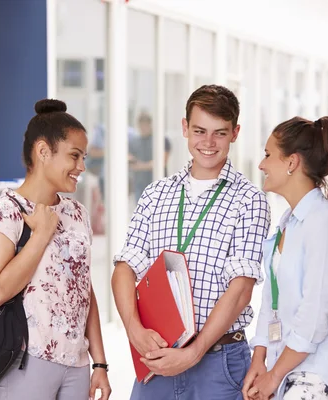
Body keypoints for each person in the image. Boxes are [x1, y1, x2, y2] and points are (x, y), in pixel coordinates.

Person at [112, 84, 271, 400]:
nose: (208, 143)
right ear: (184, 128)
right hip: (156, 358)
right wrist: (134, 330)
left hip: (218, 365)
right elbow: (124, 269)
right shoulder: (156, 194)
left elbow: (240, 290)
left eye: (220, 133)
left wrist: (194, 353)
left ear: (235, 132)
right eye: (199, 131)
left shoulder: (250, 200)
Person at [0, 99, 111, 400]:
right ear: (42, 151)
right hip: (26, 362)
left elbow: (84, 291)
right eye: (74, 156)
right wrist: (41, 234)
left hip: (76, 364)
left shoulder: (77, 213)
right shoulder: (5, 210)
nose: (82, 167)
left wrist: (99, 362)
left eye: (84, 157)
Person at [244, 117, 328, 400]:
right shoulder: (289, 222)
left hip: (316, 378)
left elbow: (315, 315)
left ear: (292, 162)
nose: (261, 165)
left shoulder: (323, 223)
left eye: (268, 155)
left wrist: (274, 375)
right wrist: (259, 359)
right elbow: (272, 301)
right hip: (286, 370)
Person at [129, 111, 172, 201]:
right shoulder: (134, 142)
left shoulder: (161, 140)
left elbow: (162, 162)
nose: (143, 128)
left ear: (150, 124)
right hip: (140, 186)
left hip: (158, 185)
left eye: (145, 125)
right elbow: (130, 160)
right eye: (141, 125)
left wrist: (141, 166)